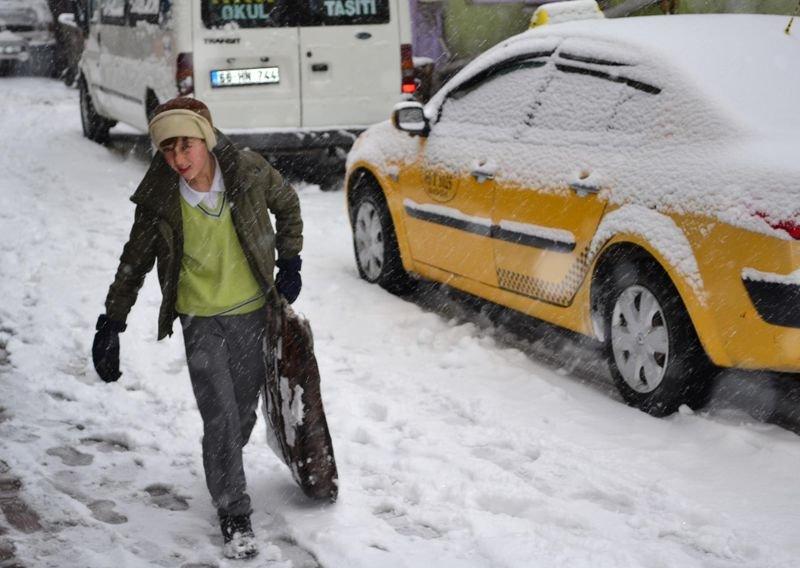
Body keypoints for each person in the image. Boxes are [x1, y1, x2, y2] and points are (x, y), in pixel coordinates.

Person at [91, 97, 303, 560]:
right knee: (221, 414)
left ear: (204, 139)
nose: (179, 160)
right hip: (200, 318)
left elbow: (287, 203)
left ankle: (221, 457)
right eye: (168, 151)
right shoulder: (160, 196)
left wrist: (290, 258)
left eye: (186, 146)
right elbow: (135, 260)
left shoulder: (246, 172)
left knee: (241, 413)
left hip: (252, 312)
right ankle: (233, 510)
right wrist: (113, 320)